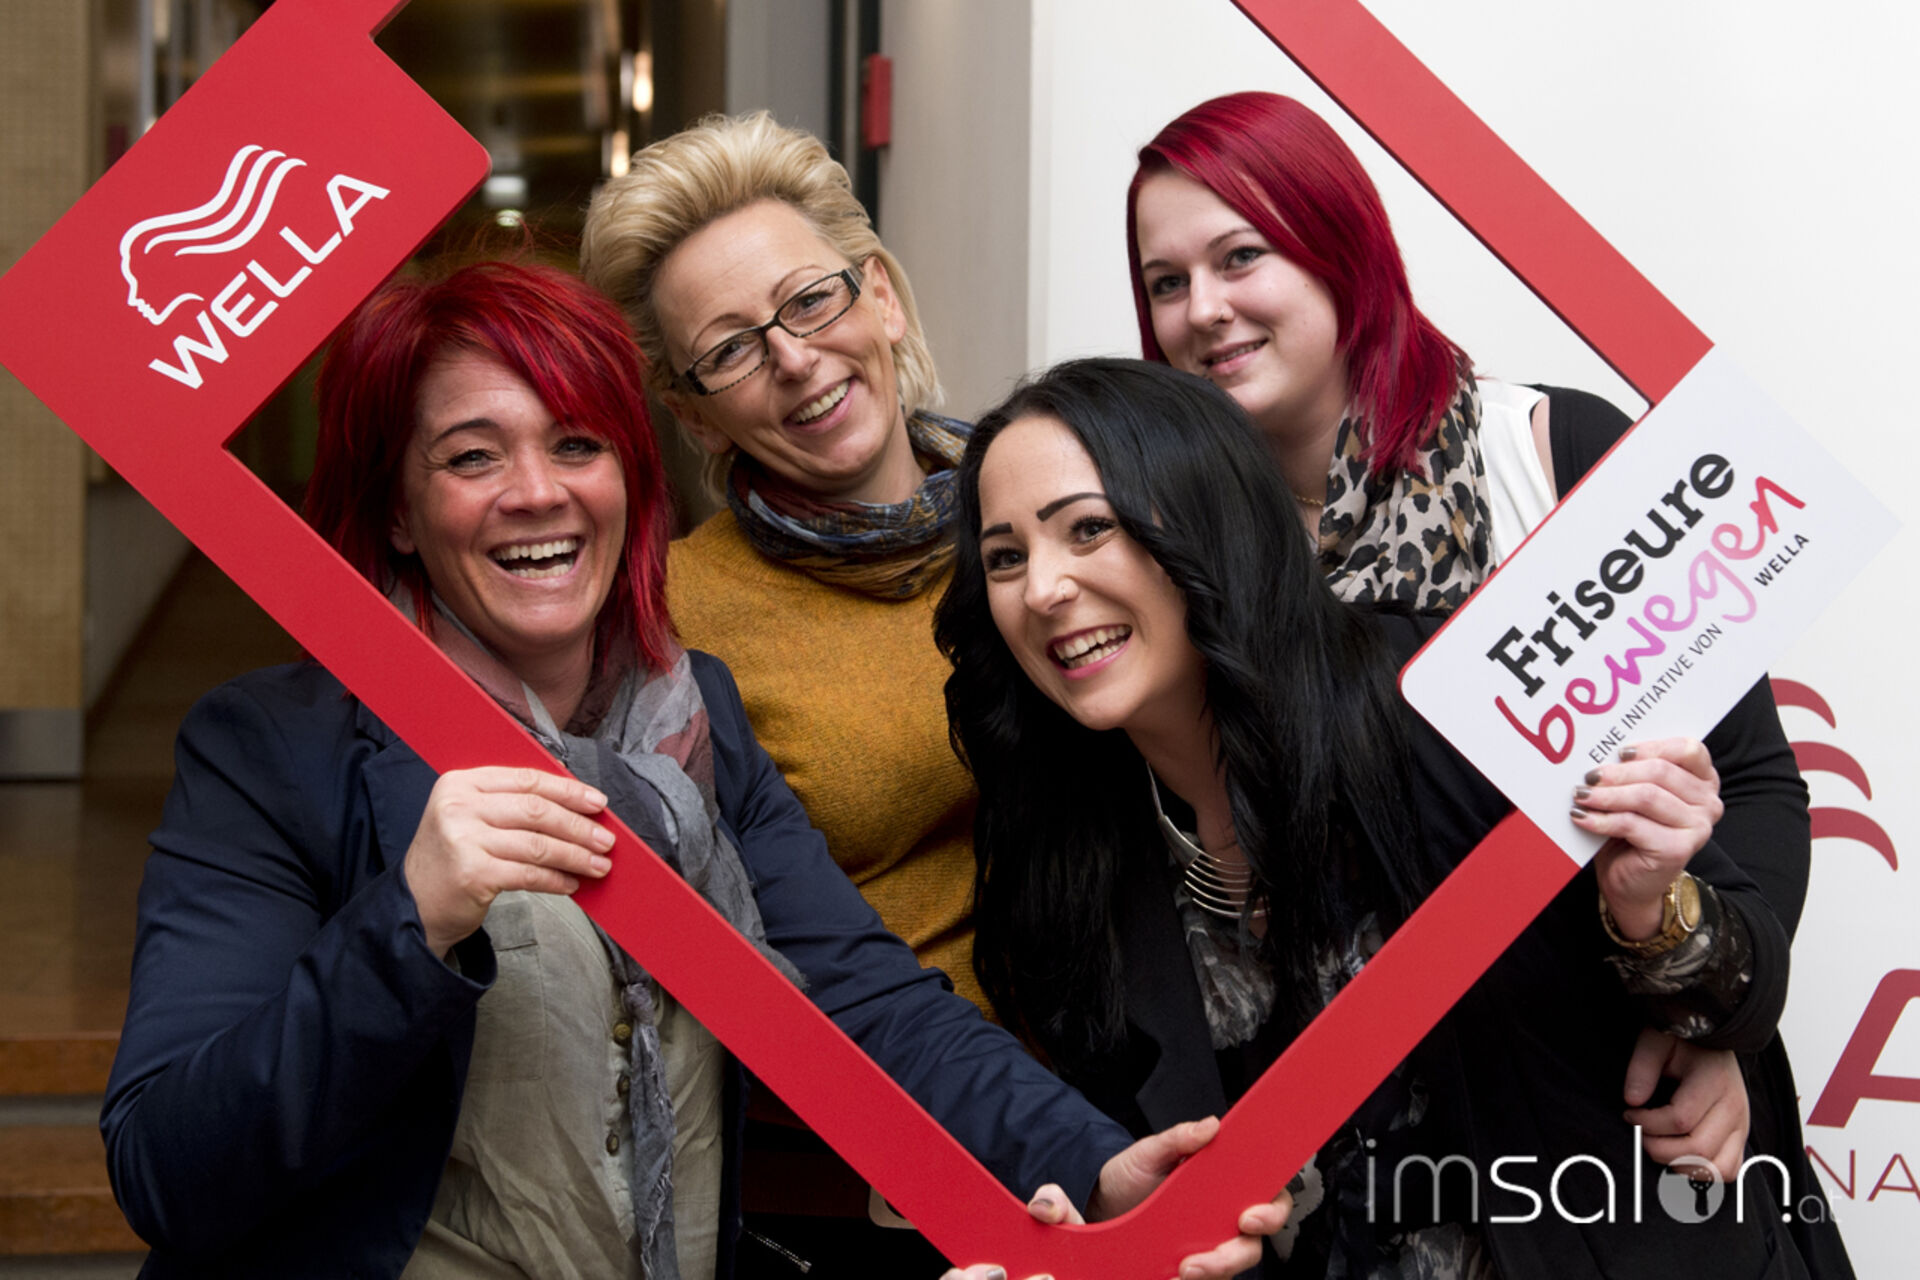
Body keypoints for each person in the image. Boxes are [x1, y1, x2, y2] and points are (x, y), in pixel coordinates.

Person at [99, 264, 1280, 1280]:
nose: (537, 490)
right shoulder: (274, 746)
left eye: (578, 444)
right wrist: (410, 919)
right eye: (471, 456)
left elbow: (862, 1000)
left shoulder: (692, 713)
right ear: (400, 511)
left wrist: (1095, 1164)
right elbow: (168, 1165)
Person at [1125, 92, 1845, 1274]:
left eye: (1240, 255)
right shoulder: (1178, 553)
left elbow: (1754, 781)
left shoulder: (1550, 454)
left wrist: (1706, 1012)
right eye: (1166, 282)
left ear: (1338, 243)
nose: (1202, 309)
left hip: (1601, 1133)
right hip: (1354, 1175)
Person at [934, 358, 1814, 1278]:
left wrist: (1649, 908)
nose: (1043, 589)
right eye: (1005, 557)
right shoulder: (1067, 850)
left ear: (1207, 517)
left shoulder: (1443, 697)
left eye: (1088, 529)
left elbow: (1744, 991)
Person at [579, 110, 993, 1268]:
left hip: (1116, 1120)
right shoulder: (670, 620)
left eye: (811, 300)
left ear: (881, 296)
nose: (797, 359)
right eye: (730, 350)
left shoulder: (1040, 517)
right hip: (858, 1189)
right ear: (692, 408)